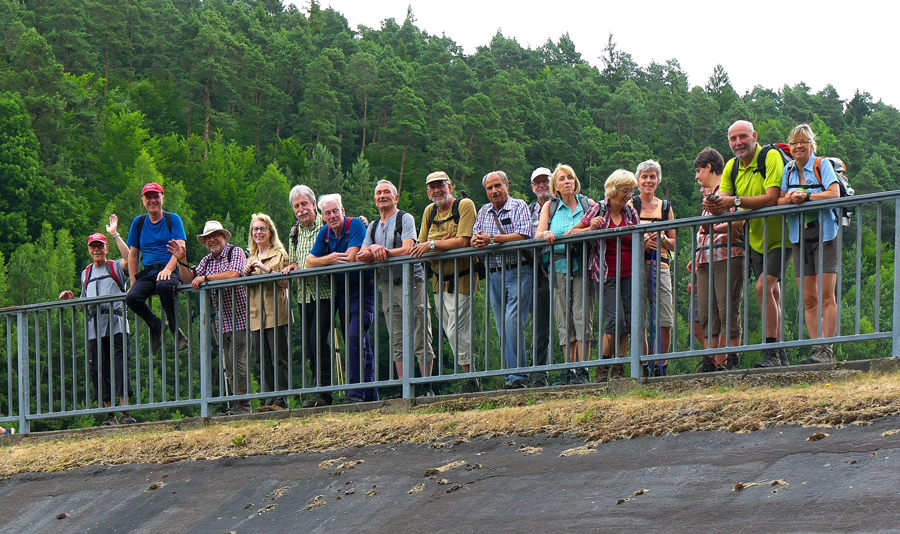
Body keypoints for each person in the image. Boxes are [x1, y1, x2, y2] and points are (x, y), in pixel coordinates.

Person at [704, 120, 789, 368]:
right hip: (755, 238)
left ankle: (771, 351)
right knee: (771, 292)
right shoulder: (731, 167)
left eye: (742, 137)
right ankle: (779, 352)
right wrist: (713, 205)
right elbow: (725, 203)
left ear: (754, 136)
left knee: (764, 288)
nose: (738, 143)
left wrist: (733, 201)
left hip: (781, 235)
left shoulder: (770, 156)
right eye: (733, 139)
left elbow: (772, 198)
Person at [359, 180, 436, 397]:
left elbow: (408, 248)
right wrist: (374, 248)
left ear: (396, 198)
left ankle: (425, 386)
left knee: (421, 332)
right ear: (375, 199)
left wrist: (381, 253)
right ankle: (405, 389)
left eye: (386, 192)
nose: (382, 196)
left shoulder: (405, 218)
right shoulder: (373, 226)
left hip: (412, 282)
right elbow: (361, 254)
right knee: (397, 337)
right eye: (378, 193)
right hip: (387, 286)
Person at [169, 220, 250, 416]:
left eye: (215, 235)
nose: (212, 240)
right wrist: (182, 260)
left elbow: (234, 274)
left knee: (239, 364)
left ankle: (244, 405)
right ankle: (236, 404)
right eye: (208, 237)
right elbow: (190, 281)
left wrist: (206, 279)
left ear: (223, 236)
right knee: (229, 366)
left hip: (242, 317)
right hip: (222, 321)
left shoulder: (235, 252)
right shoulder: (206, 261)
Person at [59, 216, 135, 425]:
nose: (96, 250)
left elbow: (131, 260)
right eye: (93, 247)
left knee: (120, 367)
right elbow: (85, 302)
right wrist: (72, 299)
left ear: (106, 248)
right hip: (95, 330)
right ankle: (109, 416)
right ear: (89, 250)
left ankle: (125, 412)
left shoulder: (115, 267)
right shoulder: (86, 273)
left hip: (117, 328)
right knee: (99, 371)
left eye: (100, 246)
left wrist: (115, 234)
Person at [410, 171, 481, 393]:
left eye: (441, 185)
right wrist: (441, 242)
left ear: (450, 186)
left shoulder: (464, 205)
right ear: (428, 191)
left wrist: (434, 244)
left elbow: (463, 241)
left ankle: (472, 378)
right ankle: (471, 378)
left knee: (455, 331)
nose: (437, 190)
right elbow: (419, 246)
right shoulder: (429, 212)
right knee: (449, 330)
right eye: (432, 186)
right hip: (438, 281)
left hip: (463, 277)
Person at [778, 124, 840, 364]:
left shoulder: (821, 165)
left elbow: (833, 193)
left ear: (811, 144)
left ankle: (827, 349)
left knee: (826, 295)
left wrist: (807, 196)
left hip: (825, 234)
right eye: (794, 143)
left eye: (803, 142)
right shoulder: (788, 169)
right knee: (808, 298)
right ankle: (816, 349)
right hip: (799, 237)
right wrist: (791, 199)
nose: (798, 146)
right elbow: (779, 200)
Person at [307, 194, 378, 404]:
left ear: (343, 210)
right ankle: (370, 395)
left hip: (363, 290)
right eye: (327, 213)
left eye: (335, 211)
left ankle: (356, 393)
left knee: (356, 337)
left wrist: (325, 262)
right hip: (343, 292)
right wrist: (329, 259)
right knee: (357, 341)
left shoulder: (355, 225)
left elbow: (351, 257)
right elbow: (309, 262)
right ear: (323, 216)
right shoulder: (325, 232)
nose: (332, 216)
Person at [570, 170, 640, 381]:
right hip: (606, 274)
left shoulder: (630, 213)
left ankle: (619, 367)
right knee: (614, 320)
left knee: (627, 320)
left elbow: (637, 237)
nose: (629, 194)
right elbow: (572, 233)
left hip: (630, 274)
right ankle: (603, 366)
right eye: (626, 190)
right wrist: (591, 228)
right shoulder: (598, 208)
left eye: (631, 190)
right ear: (614, 190)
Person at [472, 171, 534, 389]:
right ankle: (512, 377)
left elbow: (525, 234)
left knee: (512, 323)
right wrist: (477, 241)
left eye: (497, 186)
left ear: (507, 185)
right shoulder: (484, 211)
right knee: (502, 328)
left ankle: (519, 377)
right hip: (494, 273)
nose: (494, 191)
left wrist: (492, 239)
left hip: (519, 271)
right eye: (489, 188)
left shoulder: (519, 206)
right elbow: (474, 236)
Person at [535, 164, 594, 385]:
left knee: (582, 316)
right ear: (555, 186)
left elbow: (598, 224)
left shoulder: (587, 205)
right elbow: (538, 233)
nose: (567, 181)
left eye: (570, 177)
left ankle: (583, 370)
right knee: (563, 318)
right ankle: (568, 370)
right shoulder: (550, 207)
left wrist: (585, 230)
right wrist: (547, 233)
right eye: (562, 179)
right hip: (558, 266)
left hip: (582, 265)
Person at [283, 185, 334, 408]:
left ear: (314, 204)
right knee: (310, 344)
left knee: (318, 339)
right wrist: (292, 266)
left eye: (305, 204)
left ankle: (325, 391)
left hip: (327, 291)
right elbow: (294, 260)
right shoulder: (294, 232)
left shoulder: (327, 225)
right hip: (305, 295)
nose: (301, 209)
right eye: (297, 206)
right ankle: (318, 390)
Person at [694, 148, 745, 371]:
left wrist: (712, 230)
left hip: (728, 255)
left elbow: (740, 220)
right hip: (705, 259)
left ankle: (730, 361)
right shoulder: (707, 196)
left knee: (728, 311)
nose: (697, 176)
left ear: (709, 167)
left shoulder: (729, 190)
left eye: (698, 170)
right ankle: (710, 363)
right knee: (707, 315)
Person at [125, 182, 188, 353]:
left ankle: (175, 330)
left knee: (164, 285)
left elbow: (180, 248)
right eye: (148, 197)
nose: (152, 200)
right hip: (148, 272)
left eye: (156, 196)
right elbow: (133, 254)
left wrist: (167, 269)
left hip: (171, 269)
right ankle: (157, 325)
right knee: (131, 297)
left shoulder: (172, 219)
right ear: (143, 200)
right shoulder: (138, 223)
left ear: (162, 198)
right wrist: (133, 281)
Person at [631, 160, 676, 376]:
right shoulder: (631, 206)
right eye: (644, 177)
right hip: (637, 267)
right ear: (638, 180)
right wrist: (642, 242)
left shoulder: (666, 207)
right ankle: (643, 365)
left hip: (661, 265)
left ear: (658, 180)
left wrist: (662, 238)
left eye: (652, 177)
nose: (648, 181)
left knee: (665, 318)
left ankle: (660, 365)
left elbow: (674, 243)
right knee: (639, 319)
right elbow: (625, 237)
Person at [244, 213, 292, 412]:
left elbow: (285, 282)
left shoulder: (280, 253)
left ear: (270, 231)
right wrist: (245, 276)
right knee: (261, 359)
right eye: (255, 229)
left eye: (262, 228)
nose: (258, 232)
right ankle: (268, 399)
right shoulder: (250, 258)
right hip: (256, 314)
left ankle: (282, 401)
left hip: (276, 311)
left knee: (279, 358)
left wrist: (264, 269)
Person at [527, 167, 553, 387]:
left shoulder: (566, 205)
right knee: (539, 327)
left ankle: (573, 372)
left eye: (546, 181)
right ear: (533, 187)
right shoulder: (527, 211)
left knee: (571, 324)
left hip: (566, 269)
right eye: (538, 182)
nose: (542, 185)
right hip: (539, 274)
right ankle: (538, 377)